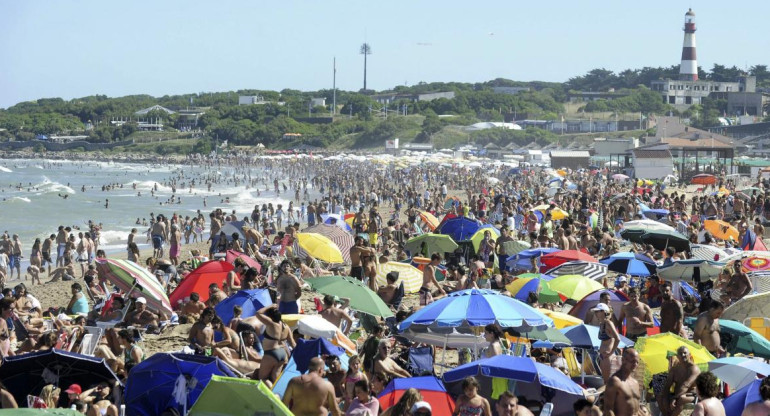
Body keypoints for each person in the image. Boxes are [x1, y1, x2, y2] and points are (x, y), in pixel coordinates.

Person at [255, 304, 295, 385]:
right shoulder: (286, 326)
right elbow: (292, 342)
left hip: (271, 353)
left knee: (263, 378)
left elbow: (258, 313)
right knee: (275, 379)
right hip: (283, 354)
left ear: (270, 316)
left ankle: (272, 396)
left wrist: (269, 306)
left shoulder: (271, 323)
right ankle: (280, 395)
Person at [658, 346, 700, 416]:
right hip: (677, 394)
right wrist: (665, 398)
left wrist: (675, 398)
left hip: (692, 395)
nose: (683, 355)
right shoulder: (674, 369)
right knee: (661, 397)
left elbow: (686, 385)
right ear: (677, 356)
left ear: (689, 355)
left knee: (681, 399)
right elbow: (667, 385)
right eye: (680, 353)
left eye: (685, 353)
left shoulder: (694, 369)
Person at [604, 348, 642, 416]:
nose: (635, 364)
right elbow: (608, 410)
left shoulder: (635, 383)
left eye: (637, 362)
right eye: (633, 361)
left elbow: (636, 409)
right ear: (623, 360)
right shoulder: (615, 381)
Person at [594, 303, 621, 383]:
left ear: (603, 312)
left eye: (597, 311)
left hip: (608, 356)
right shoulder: (602, 324)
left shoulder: (608, 323)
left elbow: (617, 339)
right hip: (603, 356)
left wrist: (611, 352)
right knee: (606, 382)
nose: (596, 313)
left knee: (608, 383)